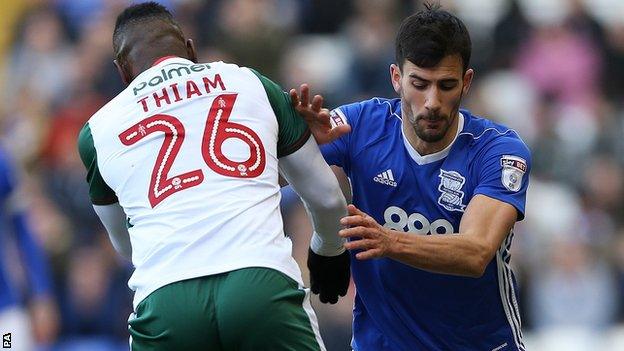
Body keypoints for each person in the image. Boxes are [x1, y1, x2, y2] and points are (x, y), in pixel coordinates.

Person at [76, 3, 350, 350]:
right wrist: (328, 249)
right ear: (190, 49)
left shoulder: (97, 131)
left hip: (166, 300)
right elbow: (326, 197)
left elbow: (125, 244)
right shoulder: (251, 83)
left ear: (121, 72)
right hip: (259, 282)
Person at [293, 4, 531, 350]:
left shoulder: (499, 151)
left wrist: (389, 242)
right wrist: (297, 140)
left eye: (446, 85)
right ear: (396, 78)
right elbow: (272, 172)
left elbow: (475, 252)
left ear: (466, 82)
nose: (432, 102)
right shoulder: (359, 125)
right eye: (419, 83)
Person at [0, 146, 58, 350]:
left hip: (4, 311)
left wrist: (41, 292)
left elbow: (23, 231)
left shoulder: (1, 162)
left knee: (9, 345)